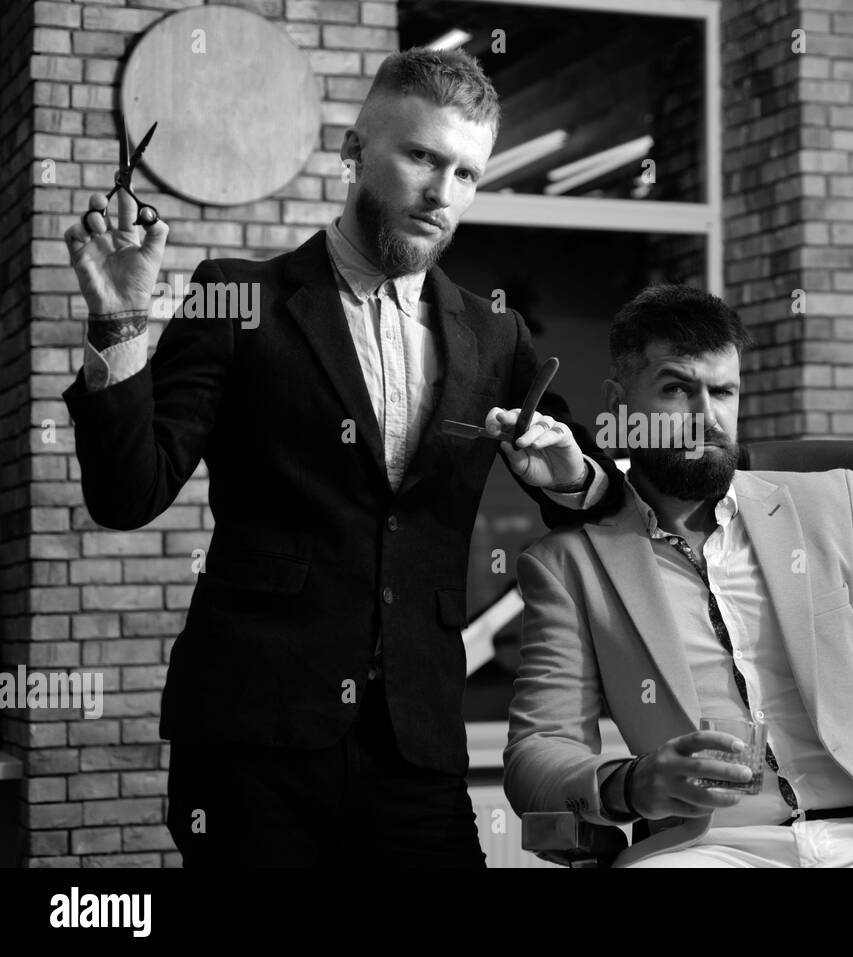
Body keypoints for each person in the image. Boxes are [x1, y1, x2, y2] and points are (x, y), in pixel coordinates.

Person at [61, 48, 622, 867]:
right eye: (421, 157)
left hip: (417, 745)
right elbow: (127, 491)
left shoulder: (495, 336)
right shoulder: (236, 296)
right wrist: (118, 325)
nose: (441, 194)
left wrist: (569, 474)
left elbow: (598, 491)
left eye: (466, 173)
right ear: (356, 151)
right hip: (254, 745)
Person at [504, 284, 853, 867]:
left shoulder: (829, 506)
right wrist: (632, 784)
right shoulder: (568, 565)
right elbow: (539, 751)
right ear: (619, 403)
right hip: (709, 846)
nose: (706, 416)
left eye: (723, 391)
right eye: (677, 389)